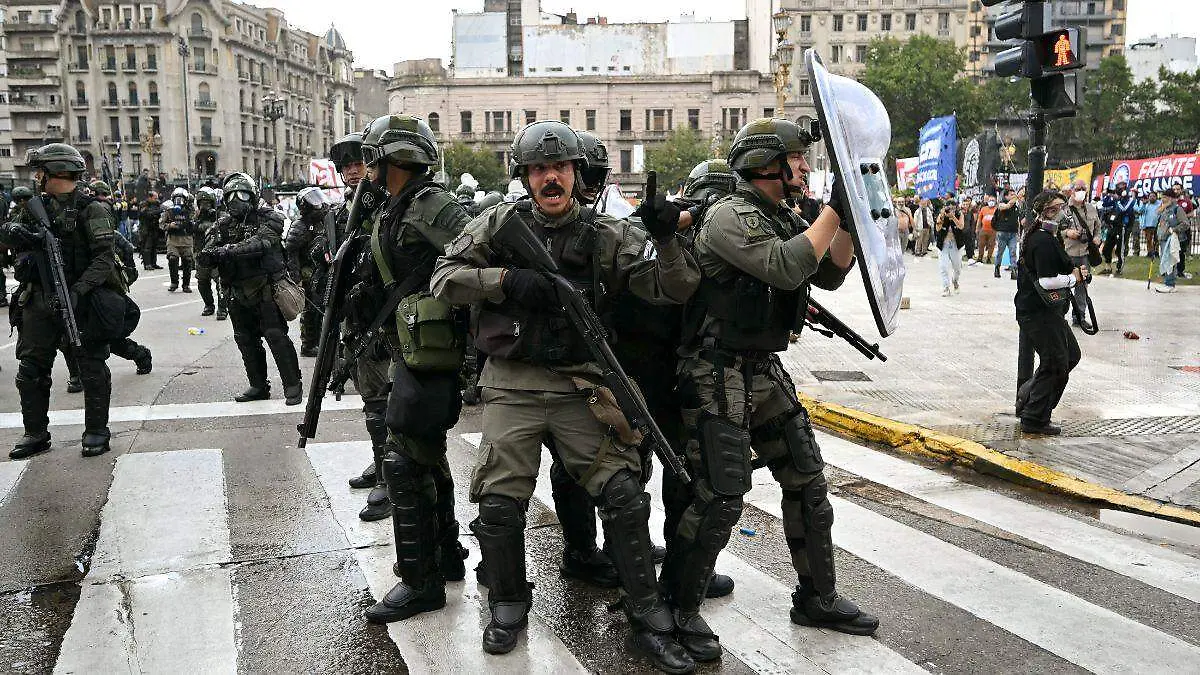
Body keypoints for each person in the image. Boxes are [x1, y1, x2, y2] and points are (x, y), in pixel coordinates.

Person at [431, 120, 699, 671]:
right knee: (500, 503)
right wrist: (505, 283)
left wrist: (669, 236)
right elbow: (444, 278)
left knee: (624, 496)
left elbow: (674, 288)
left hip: (583, 382)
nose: (550, 178)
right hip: (514, 382)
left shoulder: (605, 234)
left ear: (577, 174)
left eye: (560, 168)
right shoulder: (500, 225)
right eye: (538, 169)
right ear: (524, 176)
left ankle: (647, 615)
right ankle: (507, 603)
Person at [671, 118, 876, 663]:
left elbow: (828, 273)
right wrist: (833, 208)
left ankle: (817, 597)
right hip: (714, 372)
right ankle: (678, 608)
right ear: (767, 163)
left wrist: (847, 218)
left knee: (806, 476)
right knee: (721, 494)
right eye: (796, 159)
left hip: (759, 367)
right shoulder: (729, 217)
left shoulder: (779, 215)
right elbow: (787, 268)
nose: (803, 168)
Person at [354, 115, 471, 621]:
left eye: (373, 159)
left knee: (403, 461)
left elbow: (474, 252)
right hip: (411, 345)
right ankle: (445, 557)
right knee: (425, 456)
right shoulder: (395, 207)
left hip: (432, 349)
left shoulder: (431, 205)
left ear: (388, 160)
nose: (368, 168)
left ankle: (419, 582)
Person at [1, 143, 125, 458]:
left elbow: (104, 260)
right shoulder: (32, 206)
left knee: (92, 367)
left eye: (40, 171)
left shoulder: (91, 208)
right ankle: (36, 433)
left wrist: (78, 290)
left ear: (55, 172)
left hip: (79, 301)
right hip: (39, 299)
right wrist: (19, 232)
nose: (37, 177)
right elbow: (6, 233)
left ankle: (97, 431)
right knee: (30, 369)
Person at [321, 132, 395, 506]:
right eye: (347, 166)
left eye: (359, 163)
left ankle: (392, 473)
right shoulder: (342, 212)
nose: (353, 171)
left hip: (384, 317)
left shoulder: (386, 206)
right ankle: (381, 461)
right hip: (356, 318)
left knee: (386, 396)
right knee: (370, 396)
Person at [198, 173, 303, 405]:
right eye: (232, 195)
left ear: (253, 195)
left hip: (266, 290)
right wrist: (211, 258)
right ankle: (258, 385)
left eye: (243, 194)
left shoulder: (271, 218)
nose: (237, 199)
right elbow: (207, 253)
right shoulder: (222, 225)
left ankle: (293, 385)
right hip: (237, 293)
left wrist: (226, 251)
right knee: (245, 339)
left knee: (276, 336)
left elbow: (261, 243)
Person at [1014, 190, 1083, 435]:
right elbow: (1046, 281)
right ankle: (1034, 417)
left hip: (1050, 312)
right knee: (1055, 362)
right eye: (1060, 207)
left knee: (1070, 356)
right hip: (1037, 313)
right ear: (1049, 211)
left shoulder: (1049, 237)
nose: (1065, 212)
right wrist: (1073, 279)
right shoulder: (1040, 240)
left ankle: (1030, 395)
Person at [282, 186, 328, 356]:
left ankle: (321, 342)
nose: (319, 204)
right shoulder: (300, 226)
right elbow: (291, 252)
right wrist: (296, 277)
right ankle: (308, 344)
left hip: (322, 271)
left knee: (323, 309)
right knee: (311, 311)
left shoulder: (323, 222)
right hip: (309, 273)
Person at [1060, 180, 1100, 330]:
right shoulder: (1063, 209)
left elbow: (1098, 228)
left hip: (1085, 253)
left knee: (1082, 286)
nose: (1081, 191)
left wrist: (1097, 238)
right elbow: (1056, 228)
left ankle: (1079, 316)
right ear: (1072, 191)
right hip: (1067, 252)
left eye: (1084, 189)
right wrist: (1067, 232)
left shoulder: (1091, 209)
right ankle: (1060, 316)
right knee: (1064, 284)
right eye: (1078, 188)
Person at [194, 187, 226, 318]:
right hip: (202, 253)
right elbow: (191, 228)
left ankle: (223, 309)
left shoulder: (221, 215)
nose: (204, 205)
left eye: (207, 202)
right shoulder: (196, 216)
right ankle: (209, 305)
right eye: (202, 203)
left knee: (221, 282)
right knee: (202, 281)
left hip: (217, 253)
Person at [162, 187, 196, 293]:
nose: (179, 201)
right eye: (176, 198)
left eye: (181, 198)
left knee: (187, 261)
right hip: (173, 240)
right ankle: (174, 282)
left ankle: (186, 284)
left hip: (186, 239)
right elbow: (161, 224)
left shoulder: (191, 211)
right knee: (172, 259)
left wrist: (191, 223)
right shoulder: (169, 211)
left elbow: (195, 222)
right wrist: (169, 225)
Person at [1156, 190, 1188, 293]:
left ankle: (1170, 284)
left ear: (1171, 198)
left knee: (1170, 262)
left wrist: (1174, 230)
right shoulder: (1164, 209)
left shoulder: (1177, 209)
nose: (1162, 199)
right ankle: (1167, 282)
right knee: (1165, 261)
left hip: (1171, 240)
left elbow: (1185, 223)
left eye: (1165, 197)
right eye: (1162, 197)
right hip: (1162, 239)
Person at [935, 200, 965, 295]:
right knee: (943, 266)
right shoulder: (942, 215)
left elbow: (961, 226)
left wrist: (954, 218)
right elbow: (938, 228)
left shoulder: (959, 214)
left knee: (957, 267)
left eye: (953, 208)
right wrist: (942, 217)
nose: (951, 211)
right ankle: (946, 287)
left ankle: (955, 281)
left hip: (956, 244)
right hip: (944, 244)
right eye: (949, 209)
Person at [993, 187, 1022, 278]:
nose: (1013, 196)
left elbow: (1017, 220)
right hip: (1002, 232)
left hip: (1013, 233)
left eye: (1014, 194)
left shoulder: (1016, 207)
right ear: (1005, 196)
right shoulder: (1002, 204)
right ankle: (997, 268)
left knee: (1013, 252)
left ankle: (1014, 270)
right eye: (1011, 195)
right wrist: (1015, 198)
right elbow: (1007, 206)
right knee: (1000, 252)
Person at [139, 191, 163, 270]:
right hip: (146, 228)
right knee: (147, 247)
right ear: (150, 197)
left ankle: (153, 263)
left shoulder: (157, 204)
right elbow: (147, 214)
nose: (156, 200)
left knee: (154, 247)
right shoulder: (144, 204)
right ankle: (147, 264)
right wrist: (158, 211)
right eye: (155, 198)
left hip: (155, 227)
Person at [1137, 191, 1161, 260]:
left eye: (1153, 196)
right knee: (1148, 240)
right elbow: (1140, 211)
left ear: (1156, 197)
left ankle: (1156, 252)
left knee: (1156, 239)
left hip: (1157, 224)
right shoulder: (1146, 204)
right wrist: (1144, 204)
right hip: (1147, 225)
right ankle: (1150, 252)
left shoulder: (1160, 204)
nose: (1152, 198)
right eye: (1150, 196)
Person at [976, 194, 998, 263]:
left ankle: (989, 258)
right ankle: (980, 258)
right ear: (987, 201)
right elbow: (979, 219)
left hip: (993, 231)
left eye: (993, 200)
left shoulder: (997, 209)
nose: (991, 202)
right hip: (983, 230)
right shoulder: (983, 209)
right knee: (981, 244)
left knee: (991, 245)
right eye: (990, 200)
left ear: (996, 201)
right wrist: (977, 228)